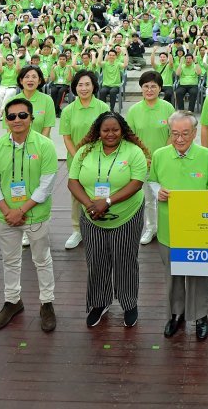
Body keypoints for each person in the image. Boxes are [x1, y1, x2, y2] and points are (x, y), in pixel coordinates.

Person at [67, 112, 149, 328]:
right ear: (98, 131)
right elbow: (73, 181)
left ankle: (129, 303)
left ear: (122, 130)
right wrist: (89, 204)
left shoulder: (133, 151)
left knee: (125, 261)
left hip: (127, 216)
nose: (111, 134)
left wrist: (108, 201)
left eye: (115, 129)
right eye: (106, 130)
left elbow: (137, 182)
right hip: (92, 216)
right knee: (96, 260)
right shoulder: (85, 151)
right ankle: (99, 303)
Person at [0, 97, 59, 333]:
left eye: (22, 115)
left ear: (31, 118)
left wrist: (22, 210)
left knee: (42, 259)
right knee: (10, 259)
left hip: (35, 214)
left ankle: (47, 303)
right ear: (5, 120)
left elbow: (47, 184)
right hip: (5, 215)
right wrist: (8, 211)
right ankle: (12, 301)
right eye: (11, 116)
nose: (17, 120)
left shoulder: (44, 145)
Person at [150, 111, 208, 340]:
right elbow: (152, 181)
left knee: (198, 274)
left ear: (195, 133)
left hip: (198, 228)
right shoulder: (159, 155)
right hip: (169, 228)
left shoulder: (206, 156)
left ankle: (200, 316)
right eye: (175, 133)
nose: (180, 139)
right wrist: (157, 191)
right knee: (173, 274)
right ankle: (175, 314)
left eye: (185, 133)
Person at [59, 70, 110, 249]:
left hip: (100, 159)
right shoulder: (68, 110)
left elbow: (109, 133)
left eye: (87, 84)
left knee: (99, 191)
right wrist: (78, 156)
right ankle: (77, 230)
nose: (84, 88)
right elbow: (66, 137)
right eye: (80, 85)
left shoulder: (102, 107)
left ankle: (100, 223)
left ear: (94, 86)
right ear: (74, 88)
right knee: (77, 195)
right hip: (76, 160)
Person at [125, 70, 175, 245]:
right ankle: (151, 228)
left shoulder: (168, 108)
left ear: (160, 88)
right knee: (148, 198)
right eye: (146, 86)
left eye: (153, 86)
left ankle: (167, 227)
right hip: (143, 162)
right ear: (141, 89)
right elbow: (131, 138)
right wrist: (143, 158)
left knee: (167, 196)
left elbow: (172, 133)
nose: (149, 89)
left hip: (166, 161)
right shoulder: (134, 110)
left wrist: (162, 155)